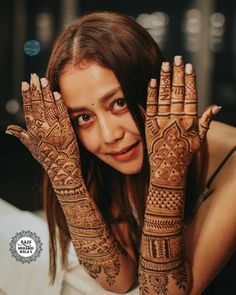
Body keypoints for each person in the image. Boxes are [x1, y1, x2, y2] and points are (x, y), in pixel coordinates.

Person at [6, 11, 236, 295]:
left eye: (119, 102)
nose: (109, 135)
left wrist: (167, 177)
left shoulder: (233, 164)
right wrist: (65, 180)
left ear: (156, 88)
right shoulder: (103, 158)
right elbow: (118, 279)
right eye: (83, 118)